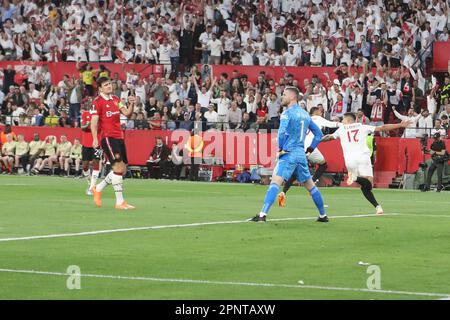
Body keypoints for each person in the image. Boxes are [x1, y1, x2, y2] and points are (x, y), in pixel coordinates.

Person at [249, 87, 327, 223]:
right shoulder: (305, 114)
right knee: (310, 186)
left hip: (289, 153)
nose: (282, 97)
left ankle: (262, 215)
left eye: (284, 94)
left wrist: (281, 148)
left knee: (275, 182)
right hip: (301, 154)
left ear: (292, 97)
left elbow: (281, 132)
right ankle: (323, 215)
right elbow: (319, 134)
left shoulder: (287, 113)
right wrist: (310, 149)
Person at [322, 113, 411, 215]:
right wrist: (400, 125)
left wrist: (316, 141)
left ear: (348, 121)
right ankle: (355, 178)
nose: (342, 122)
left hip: (349, 161)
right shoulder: (362, 126)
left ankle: (377, 207)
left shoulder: (341, 129)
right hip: (363, 157)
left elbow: (329, 137)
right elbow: (382, 127)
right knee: (368, 186)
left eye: (343, 120)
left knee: (364, 187)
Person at [278, 106, 342, 207]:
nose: (321, 114)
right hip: (310, 147)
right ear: (316, 112)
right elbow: (332, 124)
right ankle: (313, 182)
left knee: (295, 172)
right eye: (320, 112)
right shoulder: (317, 118)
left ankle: (283, 192)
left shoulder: (304, 118)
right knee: (323, 164)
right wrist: (345, 124)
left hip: (298, 147)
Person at [90, 77, 136, 210]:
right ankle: (119, 202)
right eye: (106, 85)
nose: (109, 86)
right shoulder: (97, 102)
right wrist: (94, 138)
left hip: (119, 136)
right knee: (117, 168)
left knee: (122, 168)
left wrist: (131, 104)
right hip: (108, 138)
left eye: (110, 83)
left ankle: (98, 188)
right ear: (100, 88)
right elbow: (94, 122)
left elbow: (127, 113)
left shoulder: (116, 99)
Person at [80, 105, 101, 195]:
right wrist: (89, 124)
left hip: (97, 143)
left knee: (96, 163)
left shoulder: (100, 116)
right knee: (85, 166)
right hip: (86, 144)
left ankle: (92, 187)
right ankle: (89, 182)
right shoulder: (85, 114)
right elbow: (82, 127)